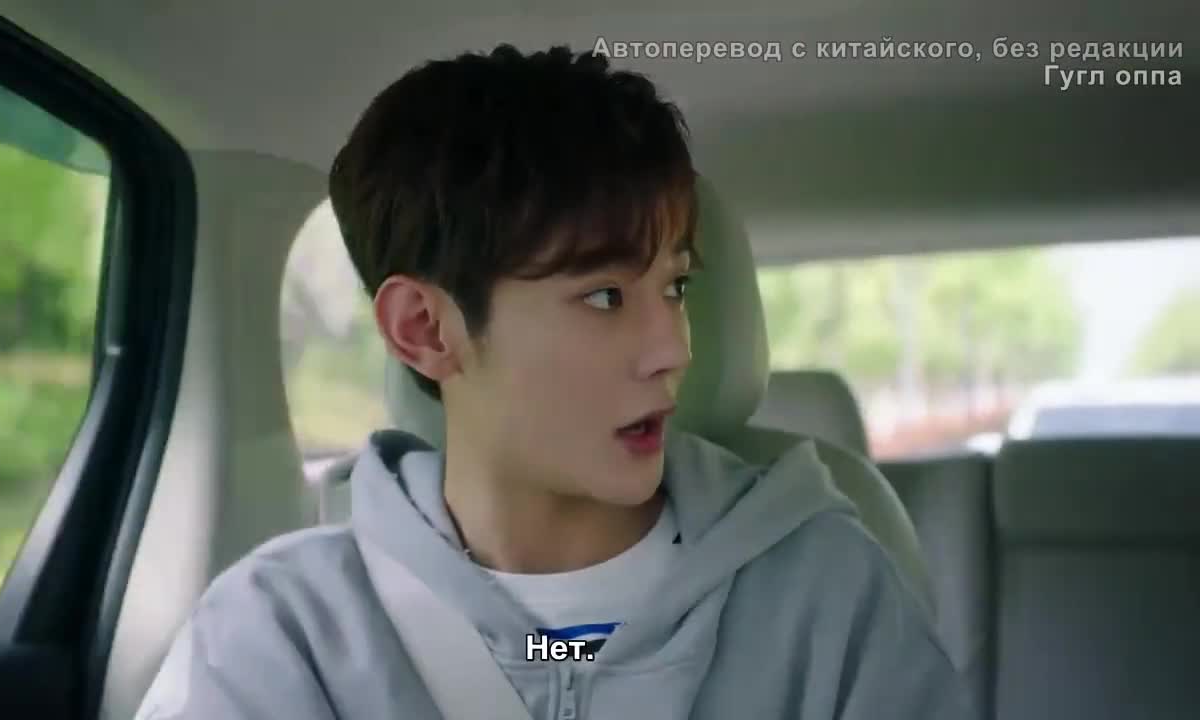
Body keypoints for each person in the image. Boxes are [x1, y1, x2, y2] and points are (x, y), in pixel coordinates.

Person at [135, 43, 969, 719]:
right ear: (426, 330)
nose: (671, 349)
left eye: (675, 287)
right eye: (604, 297)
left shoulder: (828, 596)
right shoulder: (280, 634)